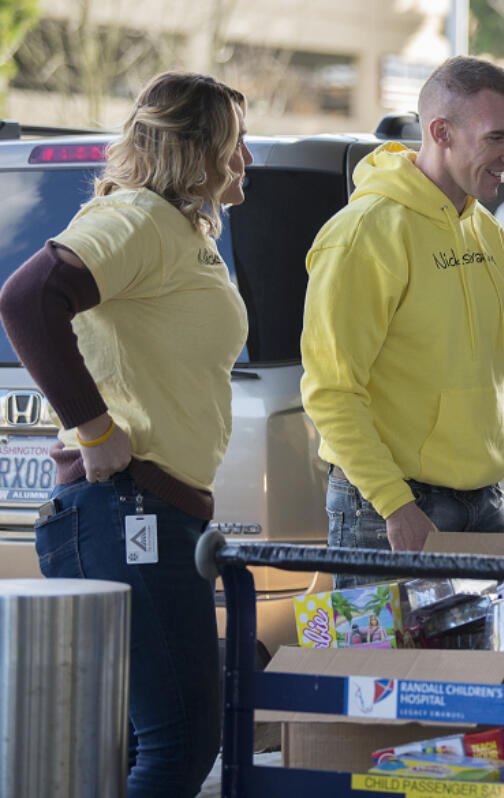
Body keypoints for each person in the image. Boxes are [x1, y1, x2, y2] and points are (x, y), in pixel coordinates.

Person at [0, 71, 252, 797]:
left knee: (145, 745)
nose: (246, 161)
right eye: (237, 143)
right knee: (180, 744)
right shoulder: (138, 217)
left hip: (152, 516)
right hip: (126, 513)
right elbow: (27, 297)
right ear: (199, 149)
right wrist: (93, 425)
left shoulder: (177, 229)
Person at [301, 55, 504, 585]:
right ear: (441, 132)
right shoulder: (364, 235)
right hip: (390, 511)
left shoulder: (485, 232)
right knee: (382, 671)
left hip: (483, 504)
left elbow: (492, 379)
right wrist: (393, 505)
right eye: (497, 138)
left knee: (491, 668)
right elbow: (332, 391)